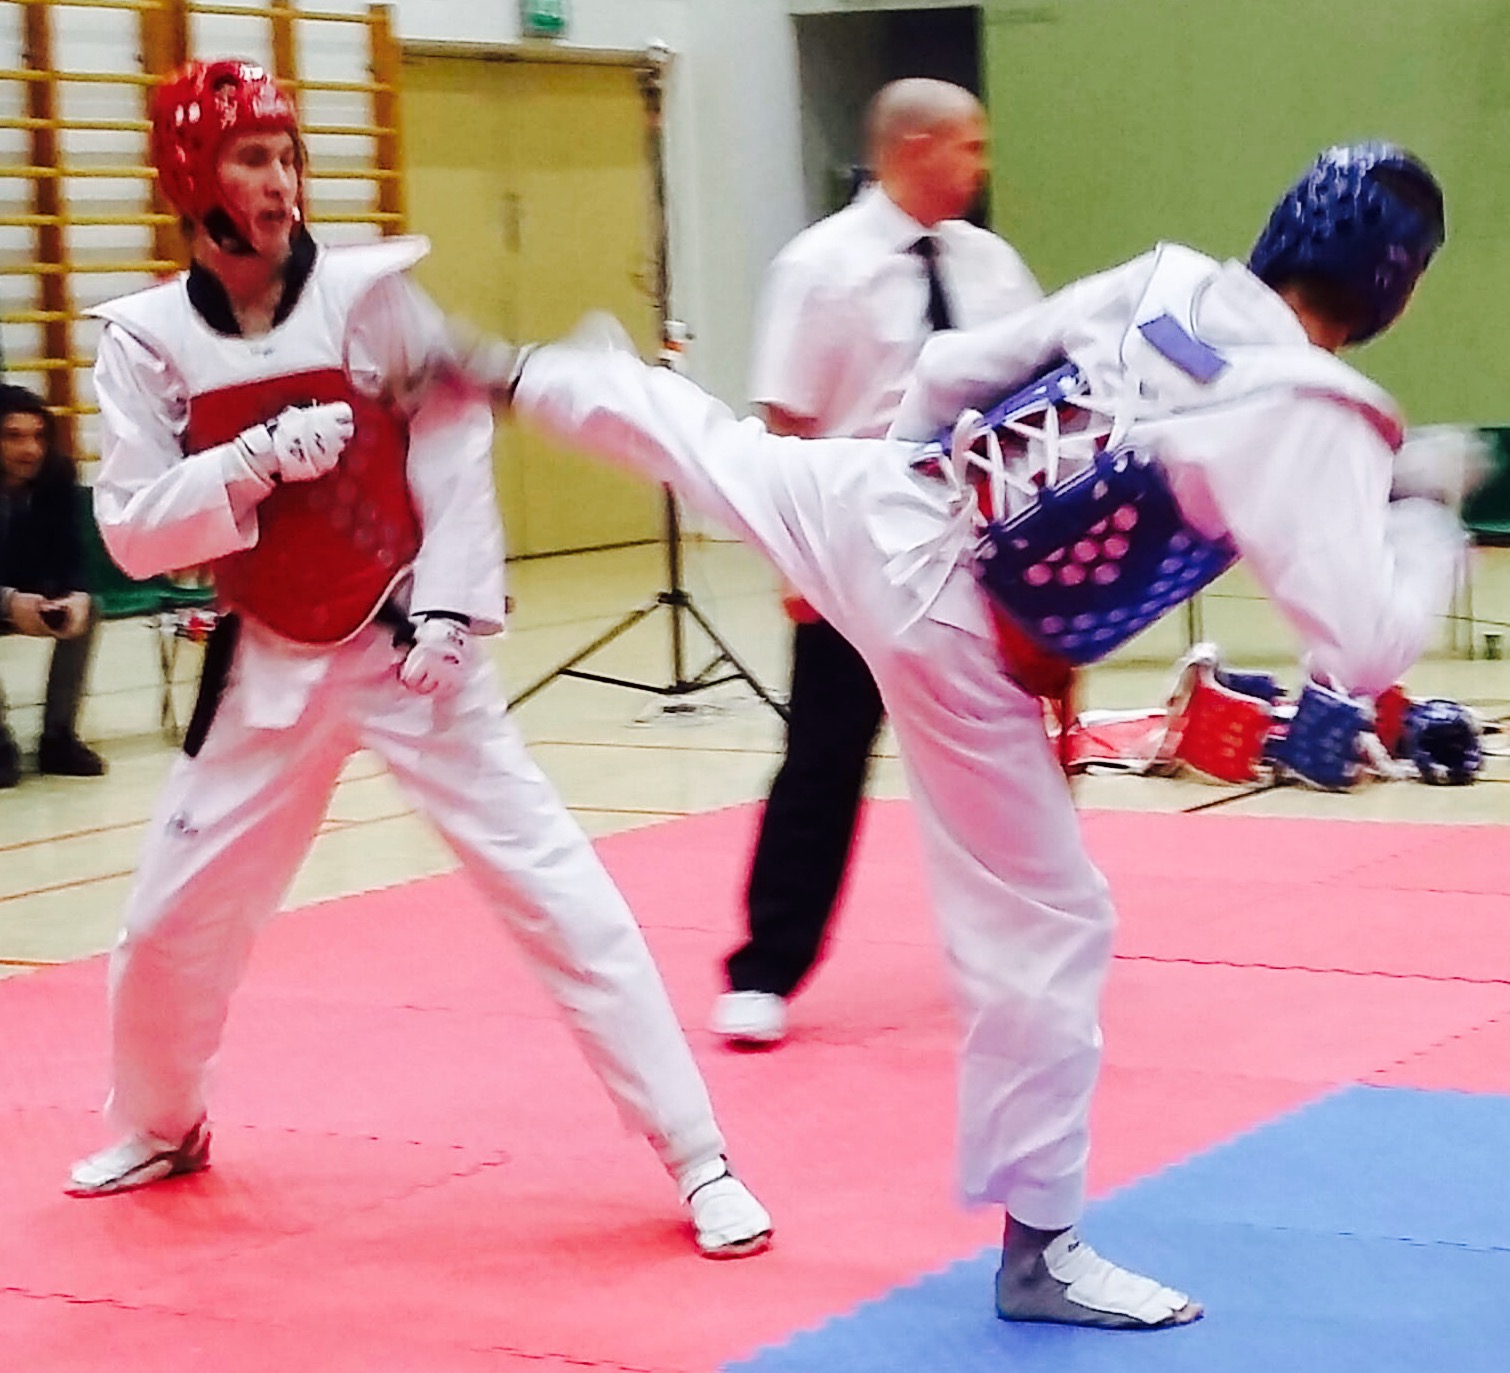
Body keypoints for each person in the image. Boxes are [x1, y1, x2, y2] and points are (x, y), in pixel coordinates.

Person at [470, 142, 1459, 1326]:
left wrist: (923, 493)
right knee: (1052, 920)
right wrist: (1422, 513)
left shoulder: (1170, 281)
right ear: (1393, 286)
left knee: (727, 453)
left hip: (894, 504)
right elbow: (1361, 645)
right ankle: (1037, 1250)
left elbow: (949, 367)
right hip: (967, 646)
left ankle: (524, 373)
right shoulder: (1315, 413)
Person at [64, 59, 772, 1262]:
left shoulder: (369, 299)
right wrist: (248, 462)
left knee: (556, 890)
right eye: (250, 157)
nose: (280, 179)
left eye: (287, 155)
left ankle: (699, 1152)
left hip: (405, 648)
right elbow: (133, 526)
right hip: (268, 662)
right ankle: (160, 1122)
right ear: (193, 177)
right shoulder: (147, 342)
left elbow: (449, 431)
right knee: (168, 922)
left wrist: (451, 603)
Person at [715, 78, 1042, 1049]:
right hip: (857, 540)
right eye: (969, 147)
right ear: (916, 145)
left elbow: (1039, 387)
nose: (981, 166)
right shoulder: (822, 266)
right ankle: (766, 966)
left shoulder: (992, 264)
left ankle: (1023, 946)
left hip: (977, 538)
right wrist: (794, 564)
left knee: (1003, 756)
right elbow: (784, 423)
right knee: (824, 755)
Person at [0, 382, 107, 787]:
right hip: (8, 595)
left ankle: (59, 737)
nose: (29, 449)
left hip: (30, 588)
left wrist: (75, 594)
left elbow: (72, 549)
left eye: (38, 436)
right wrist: (10, 602)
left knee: (88, 610)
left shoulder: (57, 476)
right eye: (13, 437)